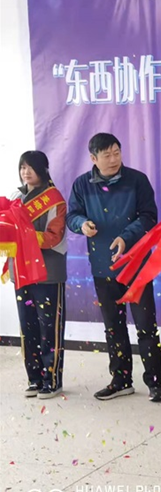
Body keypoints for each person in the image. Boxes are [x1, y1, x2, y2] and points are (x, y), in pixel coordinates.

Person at [66, 132, 161, 402]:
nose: (113, 159)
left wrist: (126, 237)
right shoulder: (82, 184)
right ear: (93, 158)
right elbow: (72, 215)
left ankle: (154, 382)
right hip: (103, 266)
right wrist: (82, 224)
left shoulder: (137, 180)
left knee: (146, 326)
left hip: (136, 265)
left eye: (117, 153)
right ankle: (121, 380)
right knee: (113, 326)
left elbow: (149, 216)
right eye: (107, 155)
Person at [9, 151, 67, 399]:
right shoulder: (15, 197)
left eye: (30, 167)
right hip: (21, 272)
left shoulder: (54, 199)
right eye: (22, 167)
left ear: (43, 169)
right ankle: (34, 379)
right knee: (28, 327)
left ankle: (51, 380)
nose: (26, 172)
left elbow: (55, 236)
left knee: (49, 328)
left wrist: (24, 236)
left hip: (47, 272)